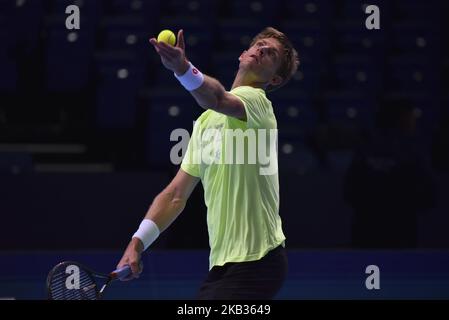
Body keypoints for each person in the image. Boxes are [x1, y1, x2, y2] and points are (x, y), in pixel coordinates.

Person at [117, 27, 299, 299]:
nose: (261, 50)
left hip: (258, 259)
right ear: (243, 54)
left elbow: (216, 97)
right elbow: (175, 195)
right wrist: (137, 242)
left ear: (274, 79)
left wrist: (182, 68)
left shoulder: (258, 104)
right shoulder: (205, 123)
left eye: (270, 53)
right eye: (259, 45)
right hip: (224, 265)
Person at [344, 98, 436, 248]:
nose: (414, 121)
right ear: (401, 118)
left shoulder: (366, 146)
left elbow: (349, 191)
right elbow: (428, 194)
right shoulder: (411, 150)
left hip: (369, 226)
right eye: (411, 116)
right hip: (395, 229)